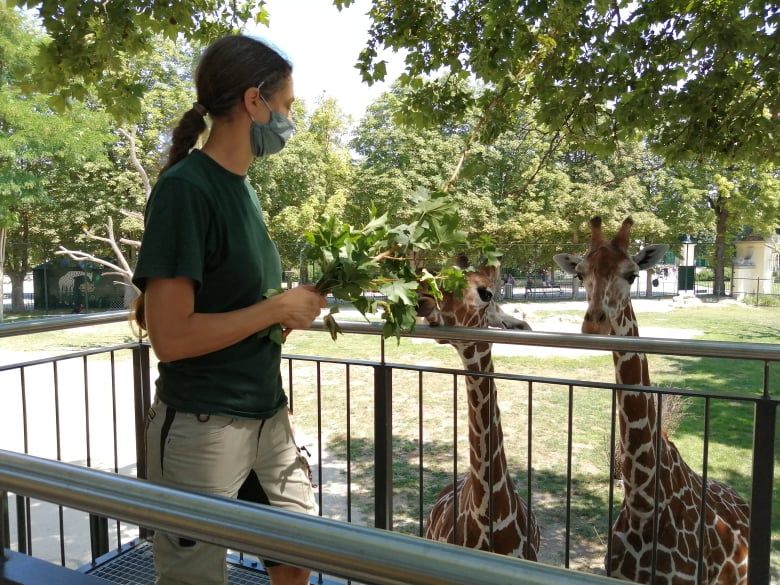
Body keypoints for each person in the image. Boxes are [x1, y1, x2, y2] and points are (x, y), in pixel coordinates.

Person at [131, 35, 326, 585]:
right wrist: (273, 309)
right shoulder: (184, 190)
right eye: (287, 106)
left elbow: (238, 309)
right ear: (254, 101)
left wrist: (285, 314)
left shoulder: (245, 193)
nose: (290, 121)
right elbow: (171, 338)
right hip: (203, 426)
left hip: (268, 417)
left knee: (299, 558)